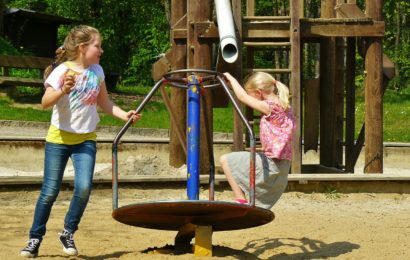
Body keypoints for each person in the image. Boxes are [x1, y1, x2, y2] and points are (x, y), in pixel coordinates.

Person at [20, 25, 141, 258]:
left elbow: (105, 103)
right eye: (98, 46)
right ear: (83, 47)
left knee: (84, 187)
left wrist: (124, 114)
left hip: (85, 139)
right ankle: (35, 238)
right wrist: (63, 90)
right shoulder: (61, 71)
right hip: (58, 139)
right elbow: (45, 102)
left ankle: (68, 231)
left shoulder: (98, 71)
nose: (101, 50)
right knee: (49, 192)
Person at [220, 72, 294, 209]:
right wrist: (231, 86)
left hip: (272, 165)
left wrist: (231, 78)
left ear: (259, 92)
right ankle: (244, 199)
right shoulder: (284, 105)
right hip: (283, 165)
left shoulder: (270, 107)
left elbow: (242, 97)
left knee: (225, 160)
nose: (250, 98)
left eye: (251, 94)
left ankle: (240, 199)